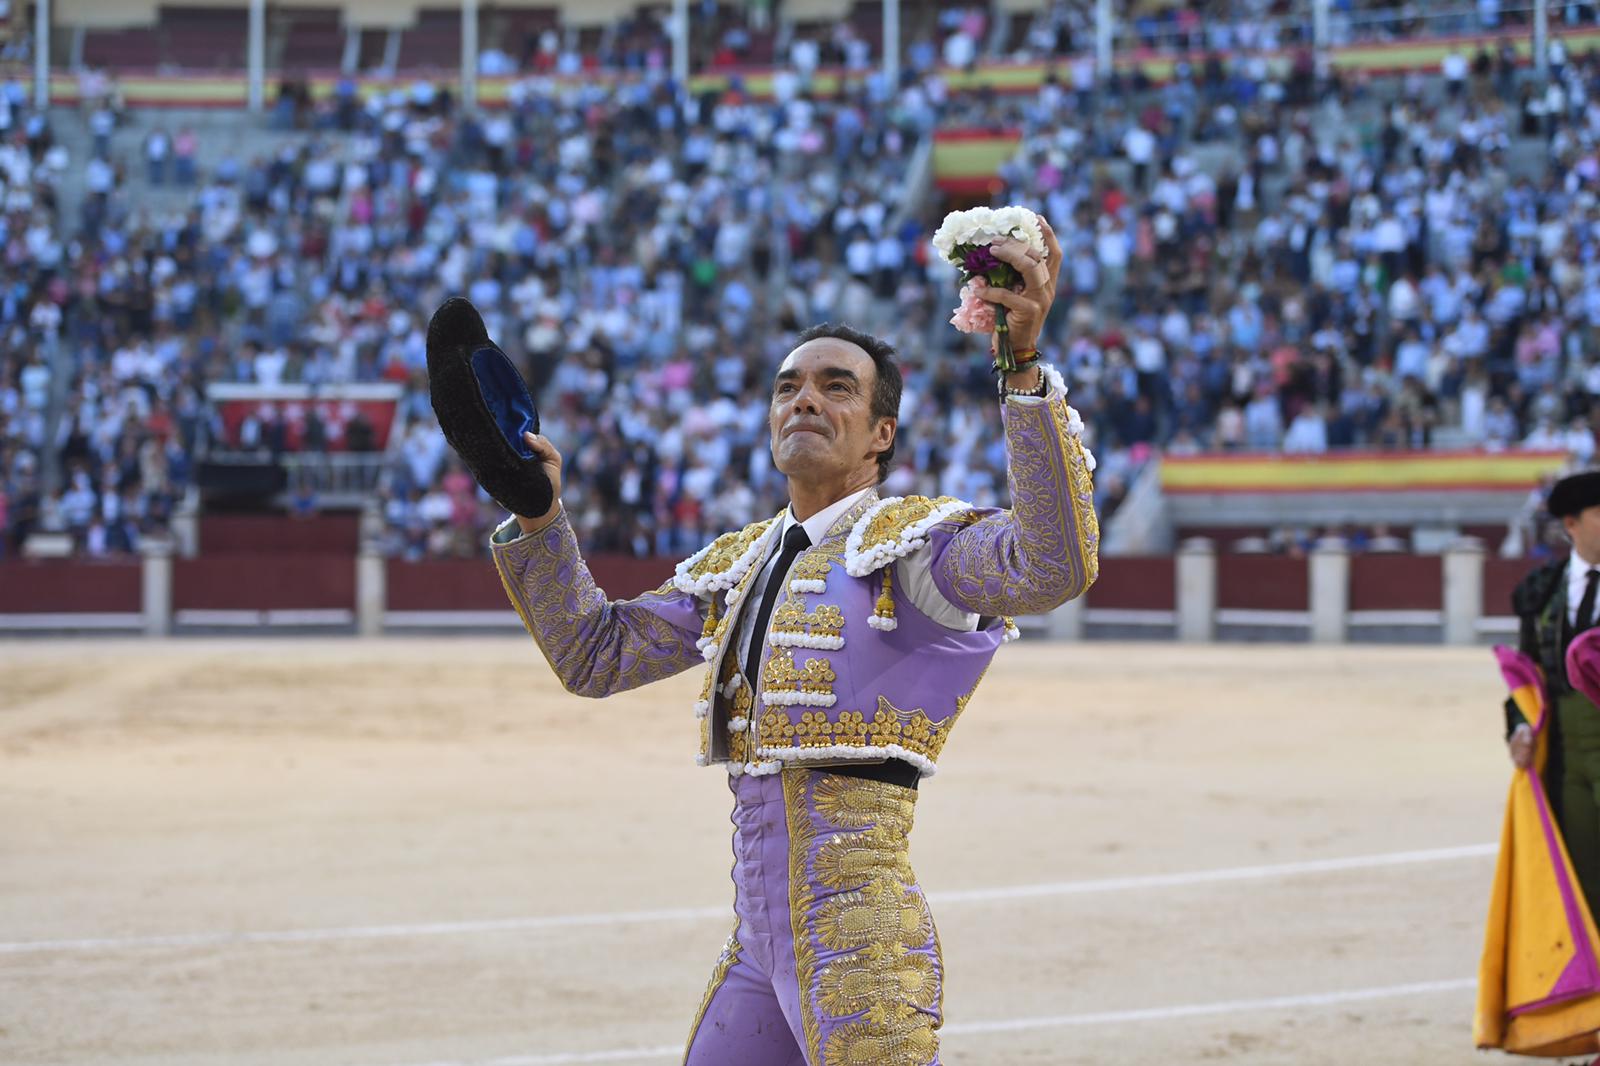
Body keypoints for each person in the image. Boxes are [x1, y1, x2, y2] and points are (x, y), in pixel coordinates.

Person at [487, 218, 1098, 1065]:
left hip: (859, 948)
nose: (804, 398)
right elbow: (593, 655)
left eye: (837, 386)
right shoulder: (741, 564)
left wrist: (1021, 369)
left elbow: (1051, 563)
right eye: (788, 386)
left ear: (882, 435)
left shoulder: (917, 549)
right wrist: (538, 513)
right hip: (756, 951)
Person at [1507, 469, 1600, 917]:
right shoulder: (1541, 593)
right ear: (1572, 524)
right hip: (1567, 759)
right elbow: (1524, 682)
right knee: (1581, 885)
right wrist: (1520, 727)